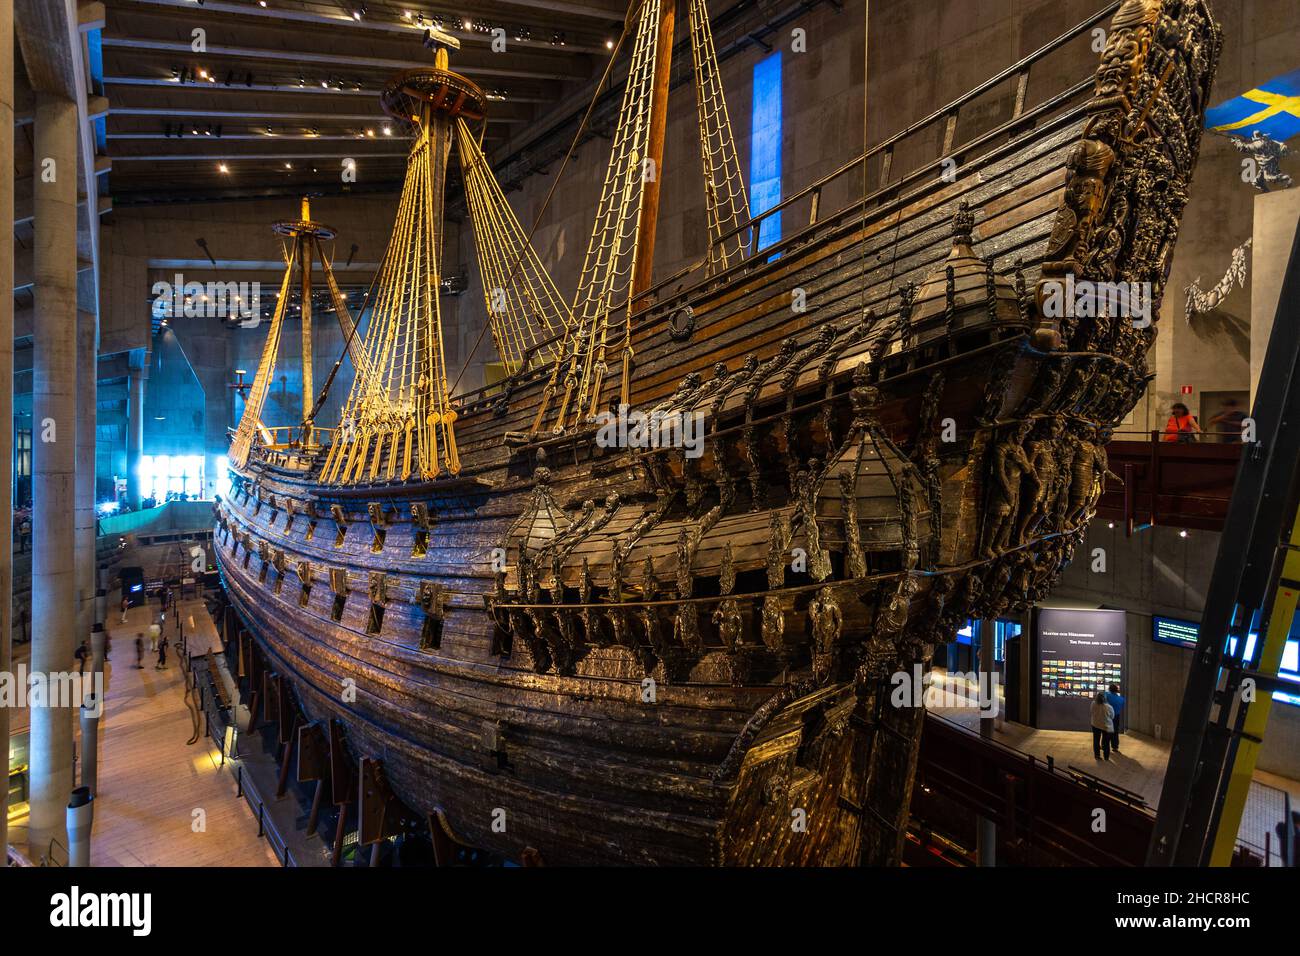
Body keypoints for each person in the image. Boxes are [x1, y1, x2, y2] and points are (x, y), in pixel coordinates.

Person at [1090, 689, 1115, 760]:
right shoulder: (1109, 707)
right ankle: (1106, 757)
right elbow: (1112, 716)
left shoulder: (1093, 703)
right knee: (1106, 742)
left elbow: (1091, 712)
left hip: (1095, 724)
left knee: (1096, 740)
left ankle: (1097, 755)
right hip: (1106, 726)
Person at [1105, 683, 1126, 753]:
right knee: (1115, 731)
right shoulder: (1122, 699)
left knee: (1106, 731)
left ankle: (1105, 745)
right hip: (1117, 717)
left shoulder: (1107, 696)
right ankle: (1115, 747)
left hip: (1107, 716)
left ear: (1110, 689)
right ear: (1117, 690)